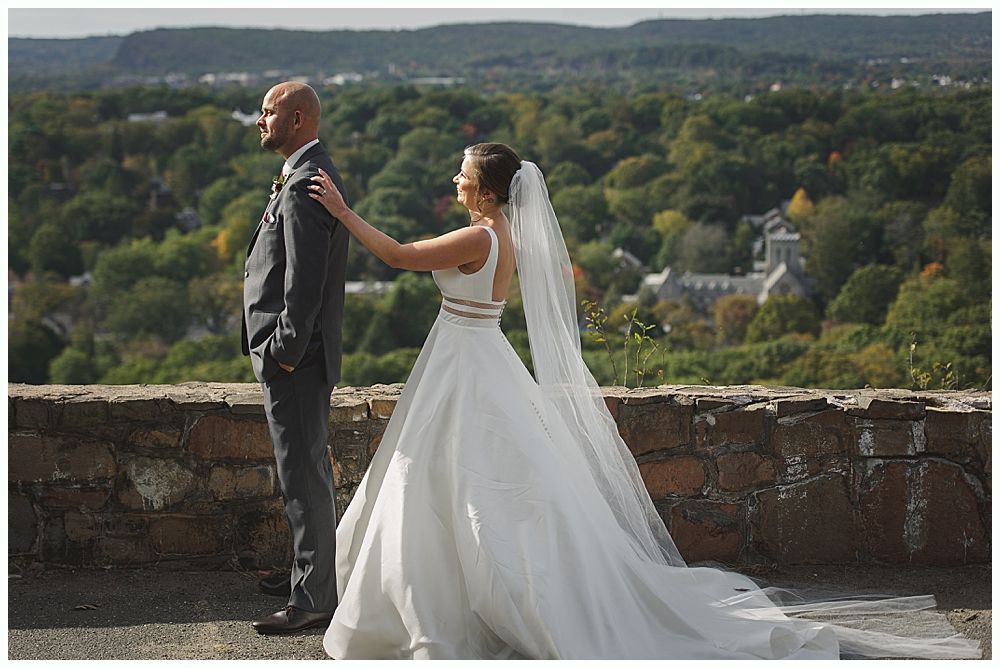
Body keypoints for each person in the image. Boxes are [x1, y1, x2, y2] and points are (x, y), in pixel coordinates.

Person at [306, 143, 980, 659]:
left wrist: (340, 210)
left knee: (454, 486)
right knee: (468, 490)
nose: (453, 181)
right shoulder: (504, 237)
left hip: (464, 365)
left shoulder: (479, 235)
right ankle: (450, 599)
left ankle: (442, 608)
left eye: (461, 174)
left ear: (483, 189)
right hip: (473, 359)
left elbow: (395, 255)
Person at [241, 81, 349, 635]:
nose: (260, 120)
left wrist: (282, 352)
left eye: (268, 111)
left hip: (296, 361)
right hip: (296, 359)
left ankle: (312, 599)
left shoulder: (307, 181)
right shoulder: (305, 171)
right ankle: (306, 573)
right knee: (300, 472)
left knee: (303, 476)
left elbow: (304, 284)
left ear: (299, 117)